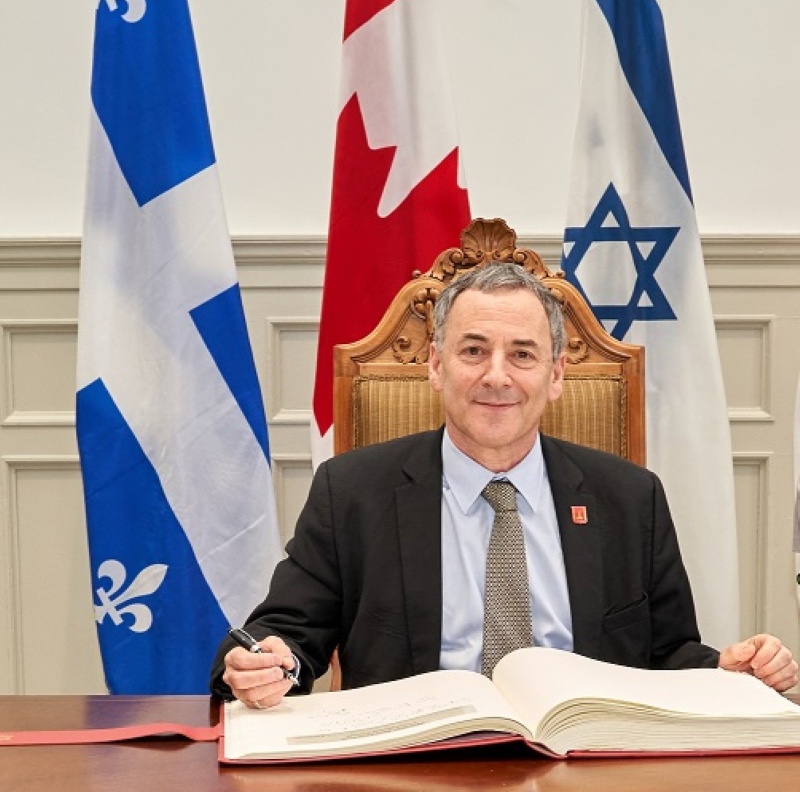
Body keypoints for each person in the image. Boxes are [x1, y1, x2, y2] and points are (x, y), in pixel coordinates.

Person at [210, 261, 797, 709]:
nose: (497, 376)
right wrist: (266, 666)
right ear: (436, 366)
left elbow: (668, 654)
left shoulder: (629, 497)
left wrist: (728, 673)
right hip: (413, 767)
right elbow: (283, 635)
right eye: (473, 351)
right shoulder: (353, 492)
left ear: (556, 374)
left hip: (586, 766)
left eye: (522, 354)